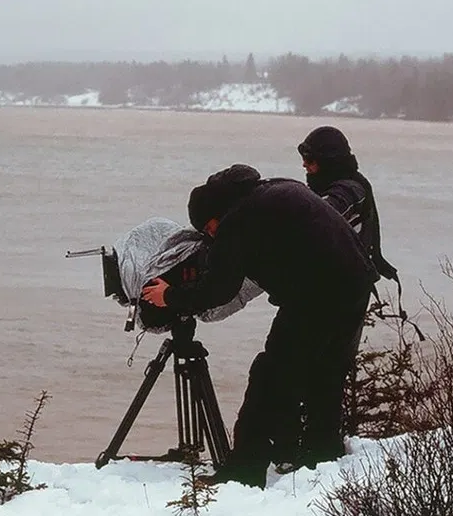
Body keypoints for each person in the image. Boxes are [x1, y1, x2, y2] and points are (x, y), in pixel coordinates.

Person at [140, 164, 379, 487]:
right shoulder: (275, 189)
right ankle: (321, 460)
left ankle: (243, 472)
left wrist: (170, 295)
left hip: (317, 294)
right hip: (354, 282)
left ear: (216, 214)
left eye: (209, 229)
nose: (211, 235)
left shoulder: (238, 219)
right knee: (325, 374)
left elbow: (218, 290)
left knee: (269, 376)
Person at [297, 126, 399, 284]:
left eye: (309, 159)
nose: (304, 164)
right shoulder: (332, 185)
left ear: (328, 161)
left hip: (341, 289)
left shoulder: (351, 189)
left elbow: (325, 211)